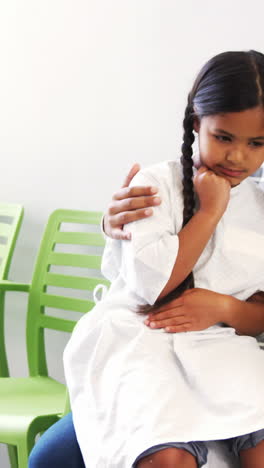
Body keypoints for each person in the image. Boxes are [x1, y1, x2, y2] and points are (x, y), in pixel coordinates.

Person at [35, 50, 264, 467]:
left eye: (257, 144)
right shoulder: (158, 185)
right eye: (224, 137)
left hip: (223, 349)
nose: (237, 157)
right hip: (144, 343)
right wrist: (210, 212)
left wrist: (226, 308)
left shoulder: (259, 203)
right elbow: (153, 283)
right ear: (197, 123)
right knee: (70, 456)